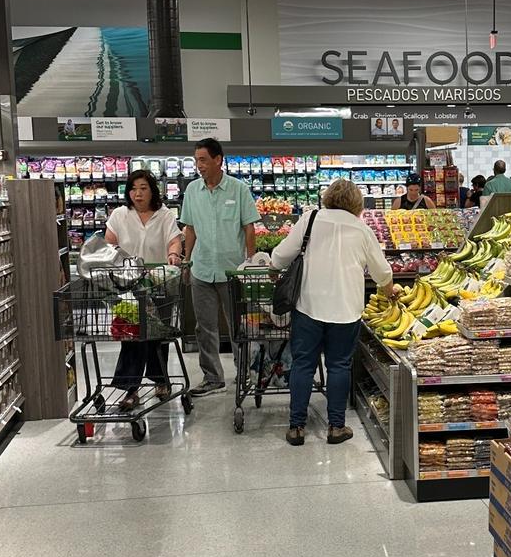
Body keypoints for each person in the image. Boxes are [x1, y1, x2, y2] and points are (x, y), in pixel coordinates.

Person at [271, 178, 395, 447]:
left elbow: (280, 256)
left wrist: (272, 266)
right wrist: (389, 291)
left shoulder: (310, 219)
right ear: (357, 203)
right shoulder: (361, 230)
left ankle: (296, 427)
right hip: (345, 309)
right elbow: (382, 272)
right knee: (339, 365)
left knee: (303, 364)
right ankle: (336, 427)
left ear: (327, 197)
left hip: (309, 306)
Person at [179, 136, 259, 396]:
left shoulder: (238, 189)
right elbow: (189, 228)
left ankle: (244, 373)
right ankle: (212, 377)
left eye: (203, 159)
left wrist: (250, 262)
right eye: (196, 160)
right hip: (202, 268)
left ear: (218, 160)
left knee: (239, 326)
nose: (198, 165)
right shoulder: (192, 190)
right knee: (204, 327)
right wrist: (187, 260)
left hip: (232, 270)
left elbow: (249, 228)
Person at [105, 169, 183, 409]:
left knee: (159, 335)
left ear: (152, 191)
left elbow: (174, 239)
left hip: (158, 282)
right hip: (128, 285)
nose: (137, 193)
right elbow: (109, 241)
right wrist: (113, 260)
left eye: (143, 188)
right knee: (132, 335)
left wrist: (173, 254)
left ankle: (160, 381)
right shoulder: (120, 214)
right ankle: (131, 389)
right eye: (133, 188)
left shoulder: (164, 214)